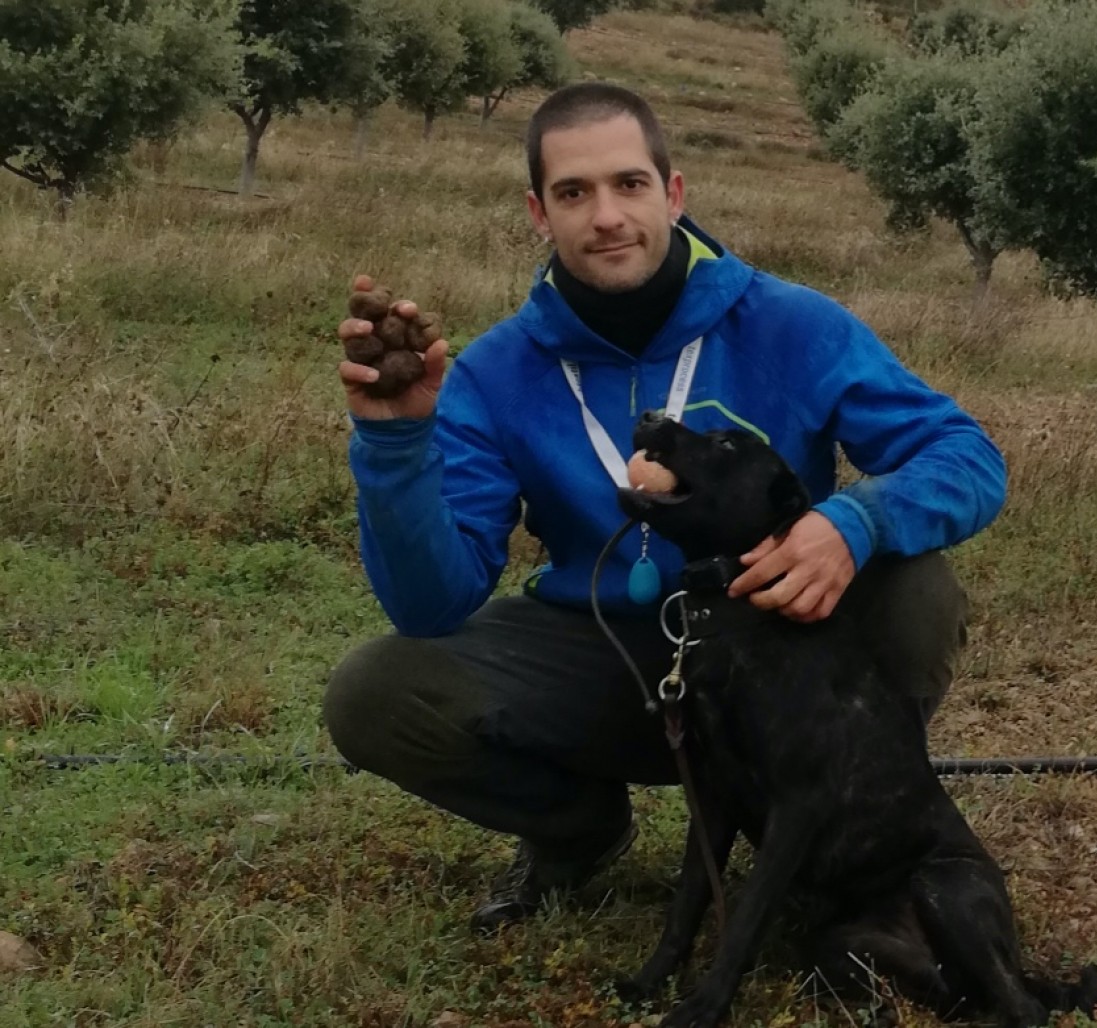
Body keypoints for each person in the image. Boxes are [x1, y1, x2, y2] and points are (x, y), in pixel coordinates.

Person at [323, 83, 1006, 933]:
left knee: (917, 591)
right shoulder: (496, 372)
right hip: (608, 659)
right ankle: (577, 830)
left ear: (673, 193)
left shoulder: (790, 323)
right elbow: (431, 603)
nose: (606, 215)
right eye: (574, 193)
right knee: (375, 692)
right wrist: (396, 445)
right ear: (539, 212)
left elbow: (966, 455)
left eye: (629, 184)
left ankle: (844, 815)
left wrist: (854, 522)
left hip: (773, 645)